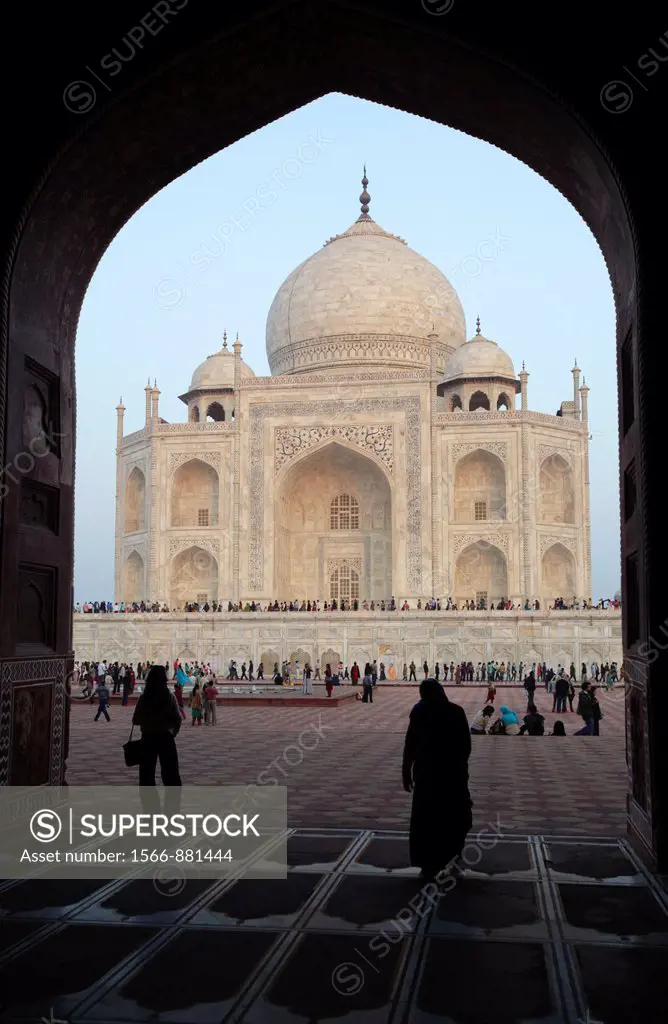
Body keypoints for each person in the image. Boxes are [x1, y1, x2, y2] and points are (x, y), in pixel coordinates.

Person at [402, 679, 472, 881]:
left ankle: (428, 863)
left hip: (427, 775)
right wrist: (458, 768)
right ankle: (451, 858)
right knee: (453, 816)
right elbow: (465, 746)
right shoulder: (455, 711)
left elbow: (410, 744)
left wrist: (406, 770)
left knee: (427, 819)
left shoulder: (420, 712)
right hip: (451, 776)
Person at [132, 664, 182, 786]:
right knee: (170, 773)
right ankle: (172, 802)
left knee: (146, 774)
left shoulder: (144, 698)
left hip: (148, 737)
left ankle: (149, 802)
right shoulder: (169, 697)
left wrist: (149, 720)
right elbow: (178, 719)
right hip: (165, 737)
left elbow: (135, 720)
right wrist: (172, 733)